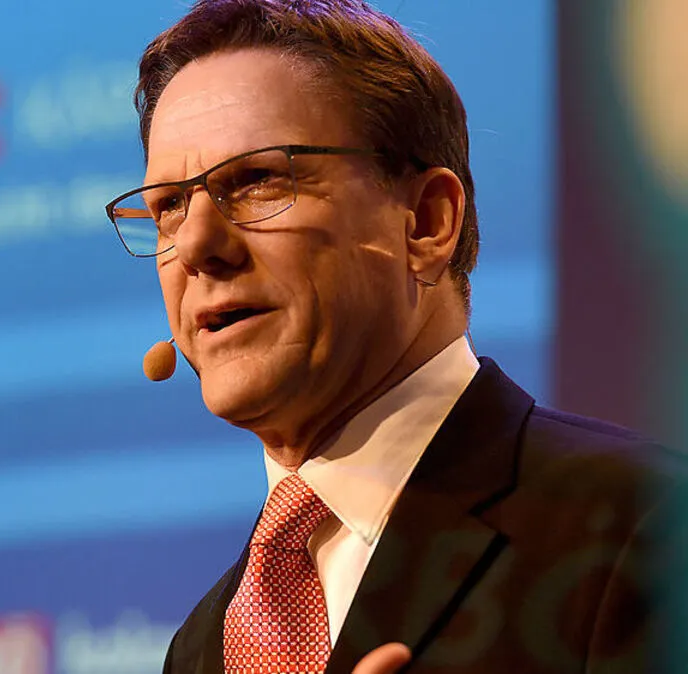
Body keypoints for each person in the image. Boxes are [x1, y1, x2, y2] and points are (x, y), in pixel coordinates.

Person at [103, 1, 688, 672]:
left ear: (426, 223)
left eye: (258, 180)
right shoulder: (201, 646)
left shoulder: (646, 530)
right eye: (169, 207)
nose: (196, 245)